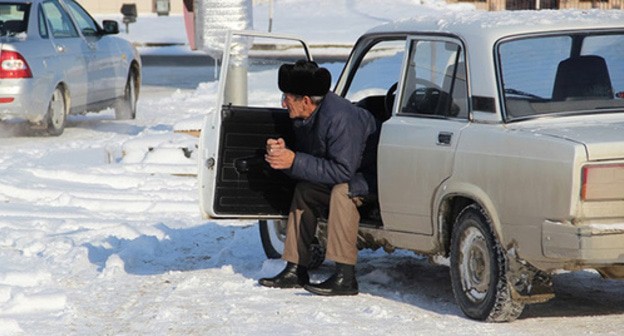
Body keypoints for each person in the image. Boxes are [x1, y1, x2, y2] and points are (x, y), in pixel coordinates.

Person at [258, 60, 377, 296]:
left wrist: (294, 160)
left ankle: (345, 276)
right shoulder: (307, 115)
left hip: (372, 179)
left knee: (342, 192)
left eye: (287, 98)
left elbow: (343, 171)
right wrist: (284, 151)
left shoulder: (340, 117)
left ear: (305, 100)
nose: (283, 104)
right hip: (348, 174)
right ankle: (296, 268)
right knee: (305, 191)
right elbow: (315, 158)